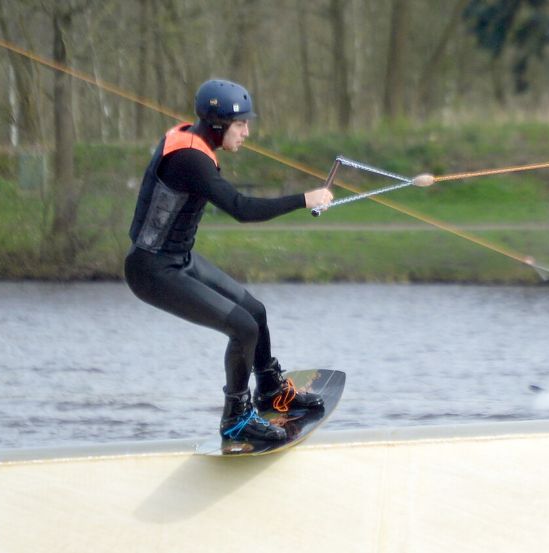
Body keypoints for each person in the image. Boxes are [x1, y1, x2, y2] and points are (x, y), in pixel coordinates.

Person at [125, 79, 432, 442]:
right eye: (241, 125)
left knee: (255, 312)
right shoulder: (190, 159)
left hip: (178, 259)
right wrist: (305, 198)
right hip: (152, 271)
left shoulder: (191, 139)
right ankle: (236, 419)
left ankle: (270, 390)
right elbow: (242, 209)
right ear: (218, 124)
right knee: (243, 328)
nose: (247, 132)